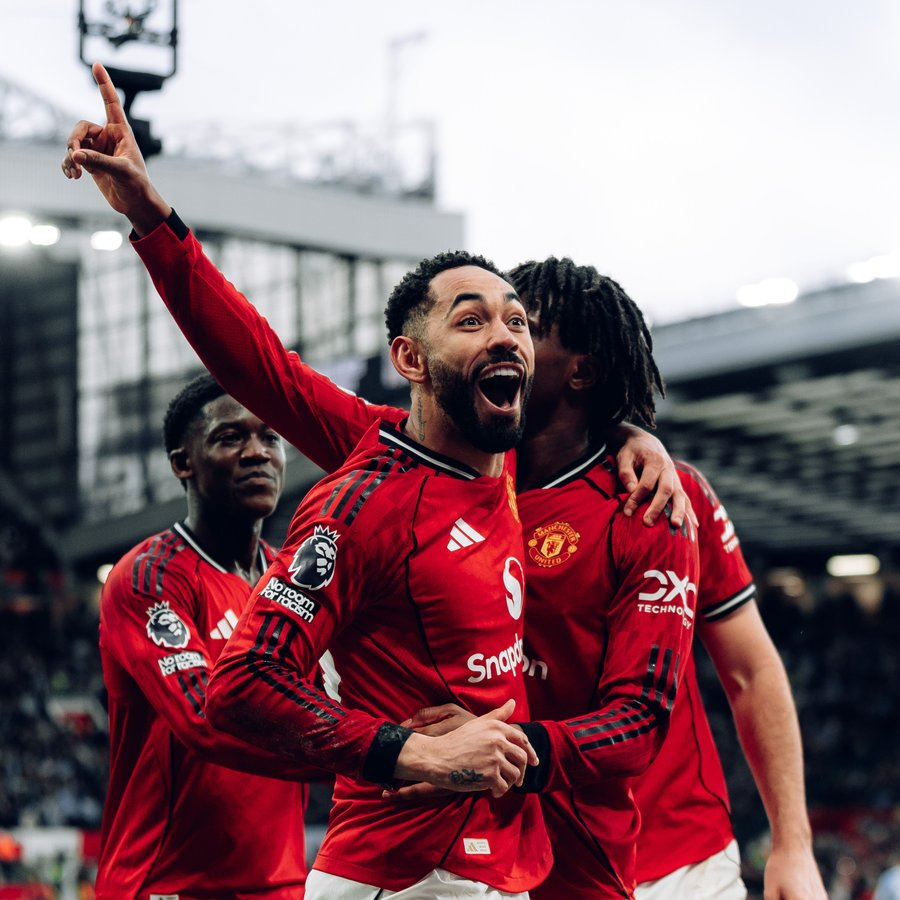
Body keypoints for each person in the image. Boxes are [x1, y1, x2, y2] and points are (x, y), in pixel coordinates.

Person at [63, 64, 694, 898]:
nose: (507, 335)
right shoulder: (376, 470)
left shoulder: (579, 481)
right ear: (412, 360)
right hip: (395, 868)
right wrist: (152, 219)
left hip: (505, 859)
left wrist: (629, 427)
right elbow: (262, 367)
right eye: (472, 320)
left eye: (518, 322)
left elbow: (643, 718)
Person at [96, 374, 323, 899]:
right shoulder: (150, 578)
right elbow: (208, 720)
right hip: (168, 884)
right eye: (229, 438)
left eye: (270, 437)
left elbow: (336, 700)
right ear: (183, 462)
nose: (257, 453)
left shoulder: (292, 580)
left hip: (281, 884)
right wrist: (380, 753)